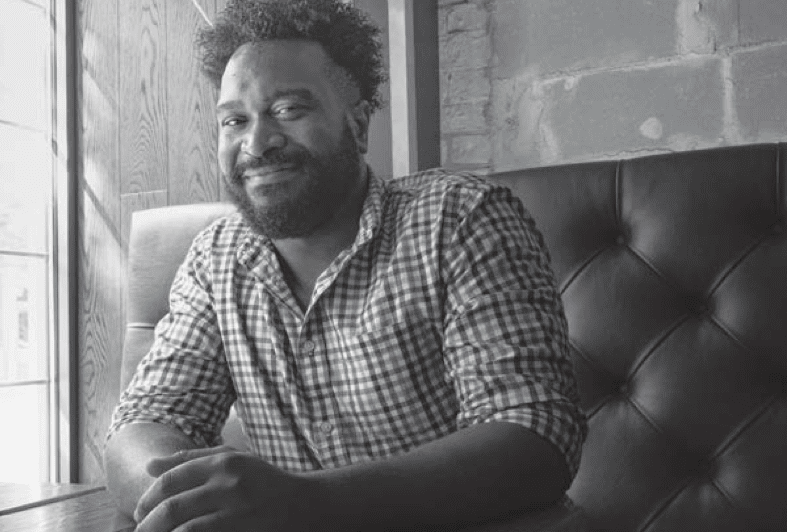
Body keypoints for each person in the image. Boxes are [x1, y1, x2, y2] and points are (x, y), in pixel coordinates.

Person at [105, 0, 583, 530]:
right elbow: (141, 423)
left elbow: (533, 435)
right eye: (234, 120)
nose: (257, 142)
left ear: (357, 124)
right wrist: (188, 501)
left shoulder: (459, 218)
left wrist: (306, 504)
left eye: (289, 110)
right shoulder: (216, 259)